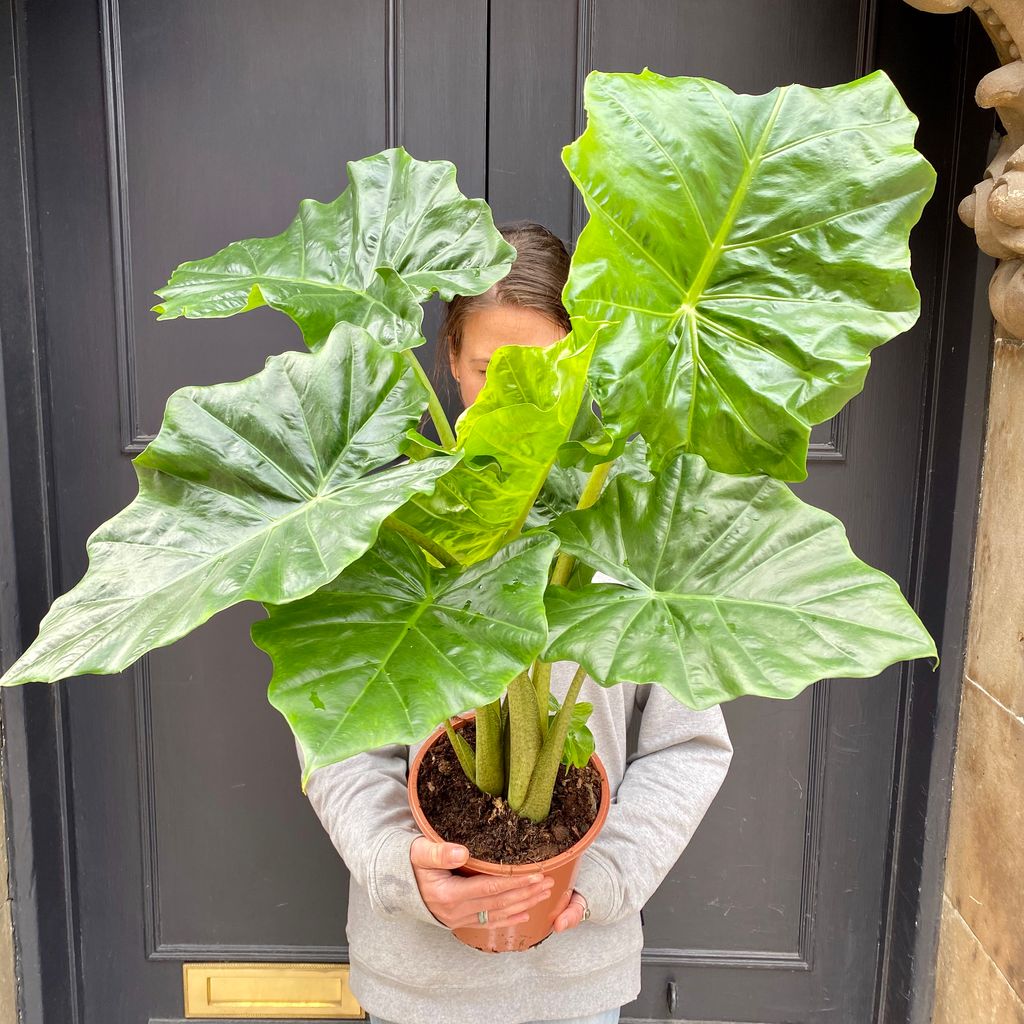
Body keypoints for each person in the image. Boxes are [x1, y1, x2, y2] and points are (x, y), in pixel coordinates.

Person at [294, 221, 734, 1024]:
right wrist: (406, 869)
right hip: (416, 983)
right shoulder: (392, 525)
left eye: (544, 374)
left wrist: (595, 888)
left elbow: (688, 746)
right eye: (492, 372)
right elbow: (336, 743)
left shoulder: (624, 526)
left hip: (577, 980)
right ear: (451, 363)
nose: (518, 401)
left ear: (582, 365)